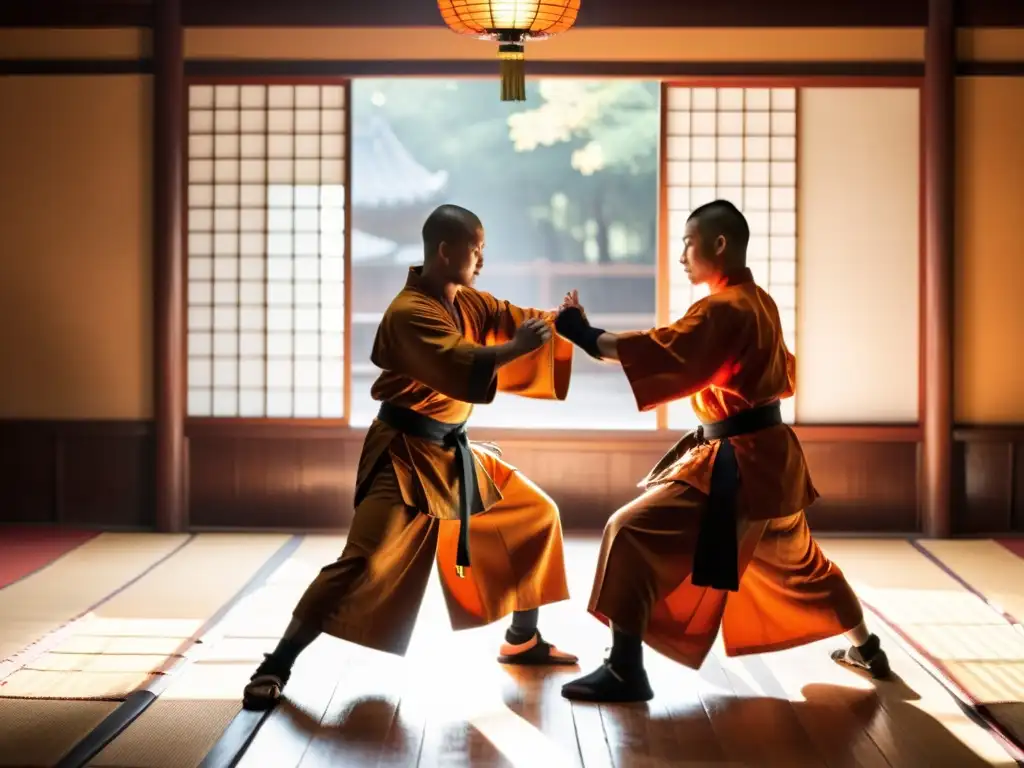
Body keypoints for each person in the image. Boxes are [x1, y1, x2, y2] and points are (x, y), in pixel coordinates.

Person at [242, 204, 579, 710]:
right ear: (446, 250)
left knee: (535, 514)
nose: (482, 258)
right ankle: (277, 663)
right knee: (362, 561)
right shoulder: (408, 312)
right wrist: (514, 349)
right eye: (476, 247)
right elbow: (458, 361)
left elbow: (516, 319)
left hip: (453, 452)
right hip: (404, 454)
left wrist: (564, 322)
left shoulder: (467, 301)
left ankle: (523, 639)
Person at [553, 199, 890, 703]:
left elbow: (658, 348)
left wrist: (583, 333)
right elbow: (688, 353)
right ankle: (867, 647)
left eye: (688, 243)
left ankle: (625, 668)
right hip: (775, 461)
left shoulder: (724, 307)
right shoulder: (758, 301)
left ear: (719, 244)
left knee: (628, 530)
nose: (683, 254)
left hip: (740, 465)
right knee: (801, 565)